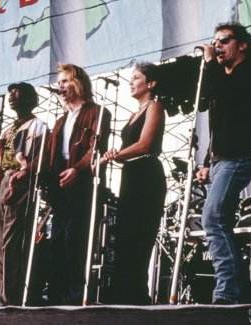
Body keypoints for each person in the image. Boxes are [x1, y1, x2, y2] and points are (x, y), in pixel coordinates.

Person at [195, 22, 251, 305]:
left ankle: (227, 292)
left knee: (212, 218)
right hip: (218, 160)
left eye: (224, 40)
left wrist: (211, 62)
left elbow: (230, 98)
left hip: (238, 158)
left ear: (242, 44)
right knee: (219, 221)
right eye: (214, 41)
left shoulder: (249, 73)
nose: (217, 45)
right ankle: (242, 292)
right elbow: (218, 128)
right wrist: (205, 161)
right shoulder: (222, 78)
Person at [32, 63, 111, 305]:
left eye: (65, 81)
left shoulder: (97, 112)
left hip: (83, 188)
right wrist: (29, 171)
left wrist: (78, 170)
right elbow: (48, 154)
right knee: (56, 244)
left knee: (74, 242)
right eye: (59, 82)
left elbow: (96, 149)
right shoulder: (60, 121)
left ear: (78, 84)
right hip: (60, 190)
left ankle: (76, 300)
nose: (60, 86)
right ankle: (56, 298)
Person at [102, 62, 167, 305]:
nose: (131, 82)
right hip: (130, 174)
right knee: (125, 234)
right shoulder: (133, 114)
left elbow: (144, 145)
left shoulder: (155, 107)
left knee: (140, 234)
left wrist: (115, 155)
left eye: (137, 77)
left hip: (147, 174)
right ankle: (123, 292)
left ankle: (137, 296)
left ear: (151, 84)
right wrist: (115, 155)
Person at [0, 82, 48, 306]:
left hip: (20, 181)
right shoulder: (9, 128)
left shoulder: (38, 126)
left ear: (30, 99)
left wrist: (25, 171)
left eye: (17, 93)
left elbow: (43, 158)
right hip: (3, 180)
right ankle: (3, 298)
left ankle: (12, 298)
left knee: (12, 242)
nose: (12, 96)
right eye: (10, 93)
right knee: (1, 241)